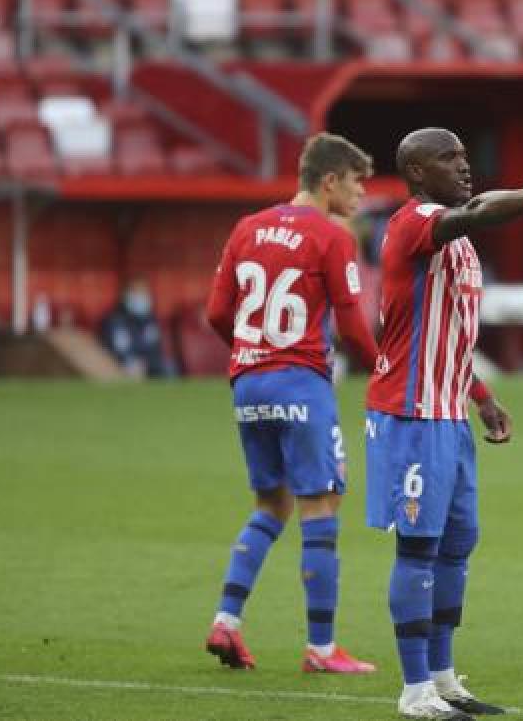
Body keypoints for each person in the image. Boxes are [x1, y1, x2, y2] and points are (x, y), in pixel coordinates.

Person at [366, 127, 523, 720]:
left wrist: (482, 395)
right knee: (418, 549)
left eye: (467, 156)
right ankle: (413, 690)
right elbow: (479, 212)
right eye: (448, 158)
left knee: (456, 547)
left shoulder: (460, 247)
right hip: (410, 415)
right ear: (417, 172)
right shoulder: (414, 222)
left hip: (449, 415)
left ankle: (443, 679)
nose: (464, 166)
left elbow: (446, 335)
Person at [202, 132, 380, 675]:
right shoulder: (330, 237)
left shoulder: (247, 227)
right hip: (300, 383)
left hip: (248, 383)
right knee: (320, 508)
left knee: (270, 506)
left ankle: (226, 622)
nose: (361, 196)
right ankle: (322, 650)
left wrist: (255, 354)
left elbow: (215, 313)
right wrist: (383, 367)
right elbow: (351, 326)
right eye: (356, 183)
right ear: (329, 181)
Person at [100, 277, 175, 378]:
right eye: (136, 292)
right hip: (121, 366)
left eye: (143, 292)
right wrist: (130, 362)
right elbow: (115, 350)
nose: (140, 297)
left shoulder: (150, 319)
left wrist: (147, 363)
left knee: (168, 365)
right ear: (125, 295)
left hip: (147, 365)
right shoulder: (114, 320)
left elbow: (155, 349)